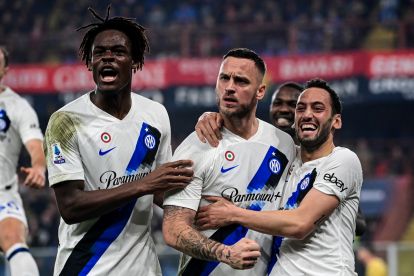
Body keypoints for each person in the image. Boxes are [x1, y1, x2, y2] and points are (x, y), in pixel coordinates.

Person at [44, 6, 194, 276]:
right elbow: (71, 206)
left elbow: (162, 190)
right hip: (85, 267)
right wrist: (144, 184)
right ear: (90, 64)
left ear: (135, 62)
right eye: (99, 53)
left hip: (144, 269)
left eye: (118, 52)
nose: (108, 58)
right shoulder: (65, 121)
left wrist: (209, 204)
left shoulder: (155, 114)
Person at [196, 78, 363, 275]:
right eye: (300, 109)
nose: (307, 114)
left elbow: (301, 223)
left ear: (336, 121)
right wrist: (214, 118)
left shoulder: (343, 159)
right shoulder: (286, 161)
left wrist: (233, 213)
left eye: (317, 108)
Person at [162, 48, 296, 275]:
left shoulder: (284, 145)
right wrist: (225, 252)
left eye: (241, 81)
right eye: (224, 78)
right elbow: (174, 229)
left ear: (260, 91)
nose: (230, 87)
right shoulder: (196, 147)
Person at [0, 46, 44, 276]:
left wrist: (39, 167)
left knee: (13, 239)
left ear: (5, 69)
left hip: (3, 194)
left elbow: (35, 145)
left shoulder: (18, 106)